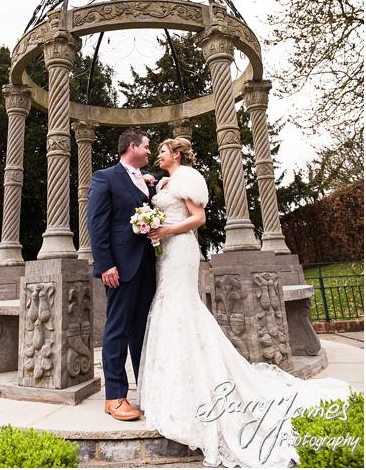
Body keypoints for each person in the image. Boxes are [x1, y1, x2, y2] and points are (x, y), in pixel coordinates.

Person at [137, 137, 352, 467]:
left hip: (181, 250)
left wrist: (166, 231)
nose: (159, 156)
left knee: (182, 307)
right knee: (169, 309)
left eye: (163, 152)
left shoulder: (189, 177)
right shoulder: (167, 180)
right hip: (165, 255)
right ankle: (176, 383)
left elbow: (199, 219)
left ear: (175, 154)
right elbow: (163, 204)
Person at [87, 128, 158, 422]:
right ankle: (115, 396)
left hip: (146, 265)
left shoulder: (146, 180)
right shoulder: (105, 177)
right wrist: (105, 264)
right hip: (119, 266)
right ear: (132, 147)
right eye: (146, 146)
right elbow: (96, 223)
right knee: (117, 329)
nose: (150, 152)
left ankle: (148, 390)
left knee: (142, 330)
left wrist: (154, 188)